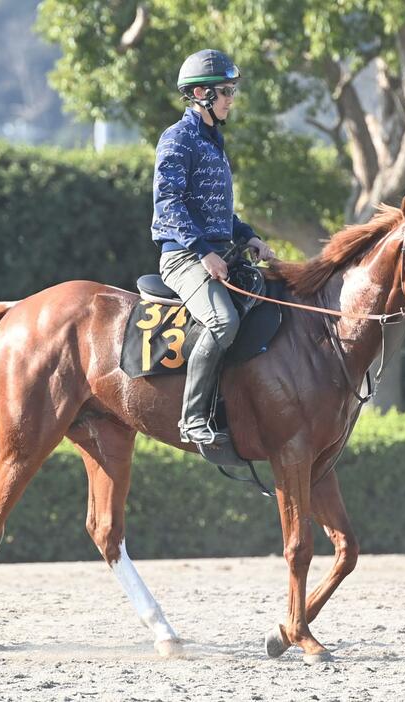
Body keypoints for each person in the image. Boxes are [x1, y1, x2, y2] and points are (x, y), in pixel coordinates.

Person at [151, 49, 274, 446]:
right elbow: (168, 203)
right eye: (225, 92)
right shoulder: (178, 139)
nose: (231, 99)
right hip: (183, 256)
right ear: (201, 94)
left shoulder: (214, 142)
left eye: (232, 91)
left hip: (215, 250)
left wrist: (249, 236)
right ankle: (191, 420)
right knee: (223, 321)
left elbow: (219, 213)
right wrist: (204, 251)